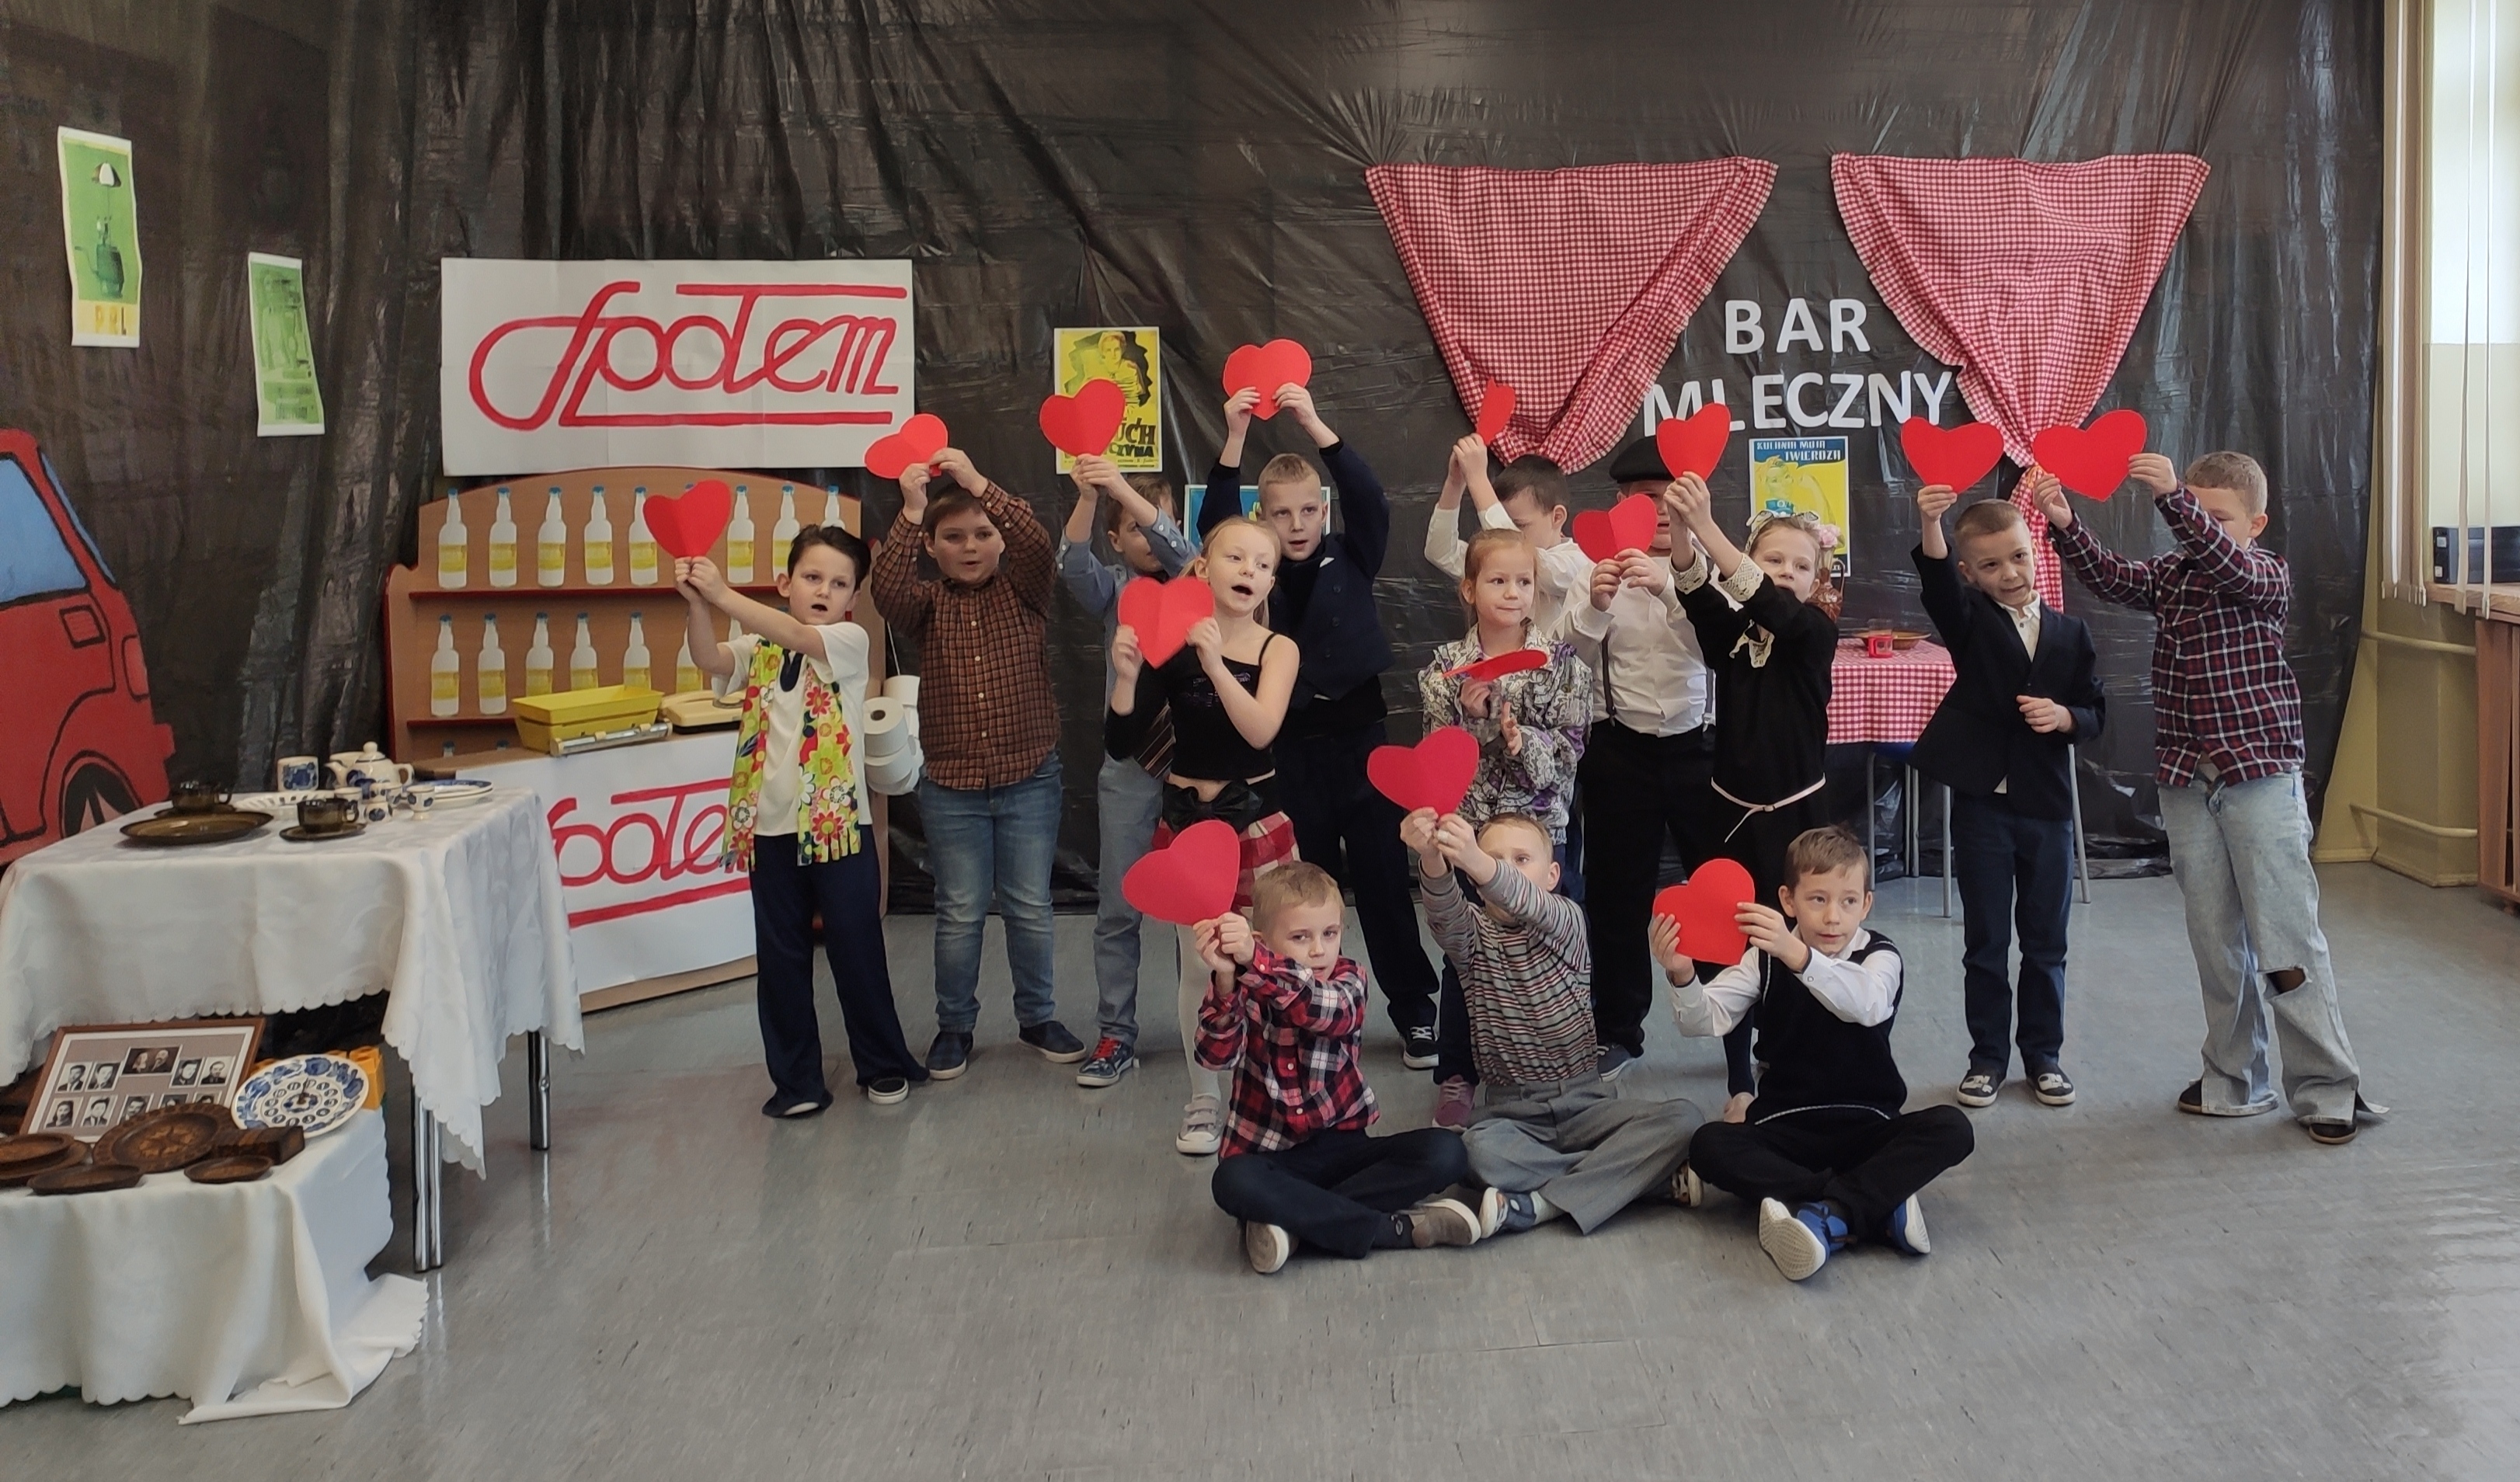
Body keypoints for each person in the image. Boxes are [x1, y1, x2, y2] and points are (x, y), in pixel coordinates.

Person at [2035, 451, 2379, 1143]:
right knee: (2216, 942)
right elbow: (2114, 577)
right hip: (2188, 782)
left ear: (2256, 524)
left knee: (2286, 940)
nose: (2202, 530)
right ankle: (2234, 1078)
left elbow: (2231, 567)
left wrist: (2173, 500)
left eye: (2218, 517)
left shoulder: (2265, 574)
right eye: (2196, 513)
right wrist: (2067, 525)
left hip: (2260, 778)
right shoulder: (2174, 574)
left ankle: (2326, 1088)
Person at [1199, 382, 1440, 1069]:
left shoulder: (1352, 551)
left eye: (1309, 510)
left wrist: (1314, 425)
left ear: (1324, 511)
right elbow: (1217, 527)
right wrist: (1236, 438)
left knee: (1385, 883)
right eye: (1281, 513)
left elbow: (1371, 499)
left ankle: (1415, 1011)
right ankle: (1306, 1012)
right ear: (1262, 519)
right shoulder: (1256, 573)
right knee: (1304, 894)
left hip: (1362, 745)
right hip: (1292, 752)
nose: (1297, 524)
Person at [678, 526, 928, 1116]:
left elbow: (794, 634)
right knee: (781, 959)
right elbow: (709, 658)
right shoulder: (757, 646)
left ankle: (882, 1065)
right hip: (768, 831)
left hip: (840, 828)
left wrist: (722, 594)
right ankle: (796, 1083)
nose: (824, 591)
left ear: (854, 598)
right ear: (785, 583)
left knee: (856, 948)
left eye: (839, 584)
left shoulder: (846, 640)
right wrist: (698, 606)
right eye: (812, 578)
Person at [1655, 826, 1975, 1282]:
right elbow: (1703, 1020)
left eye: (1848, 901)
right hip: (1787, 1128)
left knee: (1953, 1127)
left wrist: (1799, 956)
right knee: (1709, 1145)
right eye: (1818, 899)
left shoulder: (1881, 956)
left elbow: (1866, 1005)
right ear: (1788, 901)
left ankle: (1821, 1211)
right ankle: (1864, 1205)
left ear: (1866, 904)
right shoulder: (1763, 959)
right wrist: (1682, 976)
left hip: (1867, 1126)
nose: (1832, 917)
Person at [869, 447, 1085, 1078]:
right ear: (931, 547)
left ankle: (1037, 1017)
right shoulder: (925, 607)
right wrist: (912, 509)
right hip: (951, 786)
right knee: (960, 910)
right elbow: (886, 588)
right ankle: (955, 1026)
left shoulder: (1026, 590)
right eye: (954, 537)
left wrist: (977, 482)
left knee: (1029, 906)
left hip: (1030, 778)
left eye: (984, 534)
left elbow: (1036, 543)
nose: (970, 546)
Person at [1408, 808, 1699, 1237]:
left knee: (1685, 1120)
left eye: (1522, 859)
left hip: (1587, 1101)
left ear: (1552, 875)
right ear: (1473, 879)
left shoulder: (1567, 920)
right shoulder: (1471, 938)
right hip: (1511, 1110)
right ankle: (1634, 1182)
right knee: (1475, 1152)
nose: (1508, 869)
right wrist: (1431, 856)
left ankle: (1539, 1205)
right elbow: (1443, 911)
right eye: (1495, 859)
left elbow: (1526, 902)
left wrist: (1478, 860)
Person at [1106, 517, 1301, 1155]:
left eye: (1263, 564)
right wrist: (1127, 677)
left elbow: (1261, 731)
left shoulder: (1278, 649)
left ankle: (1276, 1087)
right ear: (1203, 569)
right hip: (1188, 824)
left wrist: (1216, 664)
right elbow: (1121, 742)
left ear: (1270, 582)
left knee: (1271, 957)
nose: (1249, 571)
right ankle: (1205, 1098)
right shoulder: (1171, 647)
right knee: (1200, 962)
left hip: (1257, 822)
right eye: (1235, 558)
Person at [1911, 489, 2107, 1110]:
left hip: (2046, 808)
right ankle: (1987, 1058)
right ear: (1971, 573)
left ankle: (2044, 1057)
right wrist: (1931, 521)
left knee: (2047, 942)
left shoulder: (2071, 633)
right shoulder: (1970, 621)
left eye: (2019, 557)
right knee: (1987, 941)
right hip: (1982, 810)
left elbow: (2096, 710)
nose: (2010, 573)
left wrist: (2066, 717)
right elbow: (1939, 587)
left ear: (2036, 553)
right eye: (1991, 565)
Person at [1196, 863, 1483, 1272]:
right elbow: (1215, 1057)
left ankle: (1293, 1223)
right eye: (1300, 937)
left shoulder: (1349, 979)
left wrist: (1257, 963)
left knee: (1446, 1152)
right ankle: (1387, 1230)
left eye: (1329, 934)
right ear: (1262, 941)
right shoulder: (1242, 988)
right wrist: (1226, 982)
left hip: (1345, 1151)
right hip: (1269, 1158)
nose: (1319, 950)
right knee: (1232, 1181)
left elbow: (1321, 1009)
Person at [1663, 471, 1841, 1120]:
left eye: (1801, 565)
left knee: (1797, 938)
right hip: (1730, 816)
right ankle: (1739, 1075)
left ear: (1817, 580)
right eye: (1774, 560)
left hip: (1799, 818)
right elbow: (1697, 594)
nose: (1787, 573)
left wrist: (1707, 527)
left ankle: (1790, 1056)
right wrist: (1681, 529)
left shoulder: (1815, 633)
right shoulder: (1736, 637)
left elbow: (1775, 609)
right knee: (1726, 940)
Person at [1418, 529, 1592, 1126]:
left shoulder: (1562, 665)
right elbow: (1437, 760)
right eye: (1497, 580)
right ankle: (1458, 1073)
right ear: (1470, 589)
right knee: (1466, 954)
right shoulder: (1444, 669)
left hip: (1539, 834)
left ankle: (1567, 1067)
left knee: (1549, 942)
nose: (1512, 592)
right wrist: (1471, 722)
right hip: (1470, 836)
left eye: (1523, 581)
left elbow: (1570, 754)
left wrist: (1522, 741)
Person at [1568, 437, 1719, 1083]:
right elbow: (1565, 660)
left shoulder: (1713, 562)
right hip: (1619, 746)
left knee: (1720, 886)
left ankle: (1739, 1022)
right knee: (1616, 896)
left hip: (1701, 747)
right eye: (1647, 499)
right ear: (1621, 503)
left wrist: (1674, 590)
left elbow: (1723, 652)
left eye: (1672, 499)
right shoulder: (1590, 565)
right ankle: (1617, 1030)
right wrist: (1594, 608)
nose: (1661, 511)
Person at [1057, 455, 1199, 1092]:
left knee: (1203, 908)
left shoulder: (1199, 578)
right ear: (1116, 540)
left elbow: (1181, 552)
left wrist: (1125, 490)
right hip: (1130, 765)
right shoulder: (1115, 589)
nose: (1149, 534)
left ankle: (1212, 1026)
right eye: (1134, 527)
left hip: (1198, 766)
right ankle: (1116, 1032)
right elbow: (1071, 567)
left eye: (1158, 521)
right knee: (1119, 906)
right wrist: (1093, 498)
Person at [1425, 442, 1591, 641]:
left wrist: (1478, 480)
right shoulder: (1496, 560)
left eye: (1518, 526)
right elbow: (1441, 551)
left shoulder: (1578, 564)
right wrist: (1455, 483)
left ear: (1557, 517)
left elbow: (1529, 561)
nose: (1506, 535)